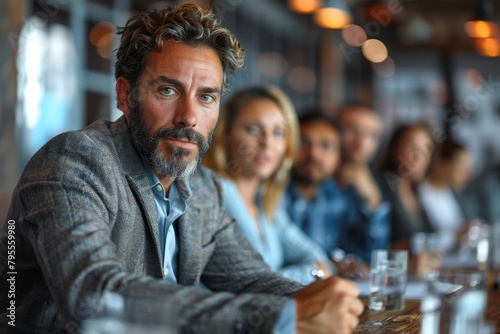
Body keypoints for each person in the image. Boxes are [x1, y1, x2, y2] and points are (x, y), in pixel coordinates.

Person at [0, 4, 364, 334]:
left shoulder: (203, 187)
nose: (189, 117)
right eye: (169, 91)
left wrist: (329, 303)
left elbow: (252, 279)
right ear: (126, 96)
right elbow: (95, 296)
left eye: (206, 97)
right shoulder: (74, 161)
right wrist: (280, 317)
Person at [203, 88, 335, 285]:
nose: (267, 144)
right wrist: (313, 273)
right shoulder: (213, 191)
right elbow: (249, 283)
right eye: (253, 130)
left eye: (278, 133)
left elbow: (318, 257)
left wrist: (316, 269)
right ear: (225, 134)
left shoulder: (266, 199)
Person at [334, 104, 390, 263]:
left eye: (372, 135)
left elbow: (377, 253)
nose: (361, 142)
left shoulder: (375, 181)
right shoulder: (315, 180)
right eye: (352, 131)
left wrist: (374, 203)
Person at [379, 124, 436, 249]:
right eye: (413, 147)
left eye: (426, 150)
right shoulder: (381, 187)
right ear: (395, 148)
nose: (418, 157)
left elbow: (430, 235)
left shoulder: (416, 190)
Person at [418, 136, 473, 252]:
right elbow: (422, 240)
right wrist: (455, 236)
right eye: (460, 169)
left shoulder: (448, 192)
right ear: (441, 165)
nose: (466, 177)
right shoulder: (420, 193)